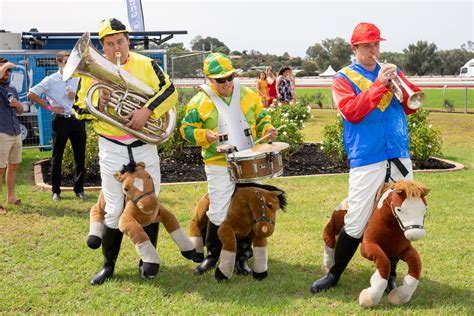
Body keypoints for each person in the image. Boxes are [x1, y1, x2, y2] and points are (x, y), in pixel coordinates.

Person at [310, 22, 422, 294]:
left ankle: (391, 274)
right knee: (357, 219)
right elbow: (351, 112)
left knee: (398, 216)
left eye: (376, 44)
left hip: (397, 152)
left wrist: (401, 88)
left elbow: (409, 108)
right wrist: (378, 86)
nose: (374, 50)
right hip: (367, 156)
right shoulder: (343, 78)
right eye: (368, 45)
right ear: (355, 48)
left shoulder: (392, 71)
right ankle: (335, 273)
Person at [73, 18, 178, 285]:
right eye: (110, 43)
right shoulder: (90, 73)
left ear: (127, 40)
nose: (116, 47)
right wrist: (98, 101)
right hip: (112, 147)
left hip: (144, 145)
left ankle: (148, 262)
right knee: (113, 208)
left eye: (120, 41)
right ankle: (109, 265)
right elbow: (77, 109)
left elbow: (170, 91)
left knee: (148, 203)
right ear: (102, 46)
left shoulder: (146, 64)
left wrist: (147, 111)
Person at [180, 53, 278, 275]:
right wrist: (204, 134)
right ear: (208, 78)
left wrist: (266, 129)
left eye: (229, 77)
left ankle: (242, 256)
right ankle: (213, 255)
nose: (226, 83)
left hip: (248, 159)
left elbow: (262, 119)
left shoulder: (249, 95)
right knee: (218, 209)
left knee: (248, 209)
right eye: (219, 80)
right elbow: (186, 130)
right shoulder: (199, 101)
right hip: (217, 162)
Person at [28, 51, 87, 202]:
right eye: (66, 62)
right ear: (59, 63)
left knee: (80, 157)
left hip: (77, 120)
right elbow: (31, 94)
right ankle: (56, 191)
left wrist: (77, 97)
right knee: (57, 157)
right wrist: (49, 108)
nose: (69, 65)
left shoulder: (78, 78)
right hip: (61, 121)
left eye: (71, 62)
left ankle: (79, 189)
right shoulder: (50, 80)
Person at [0, 58, 24, 215]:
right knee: (0, 169)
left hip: (15, 131)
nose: (7, 73)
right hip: (2, 132)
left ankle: (10, 197)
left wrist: (18, 106)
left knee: (13, 165)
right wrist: (5, 66)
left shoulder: (12, 88)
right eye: (4, 70)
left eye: (9, 70)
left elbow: (20, 110)